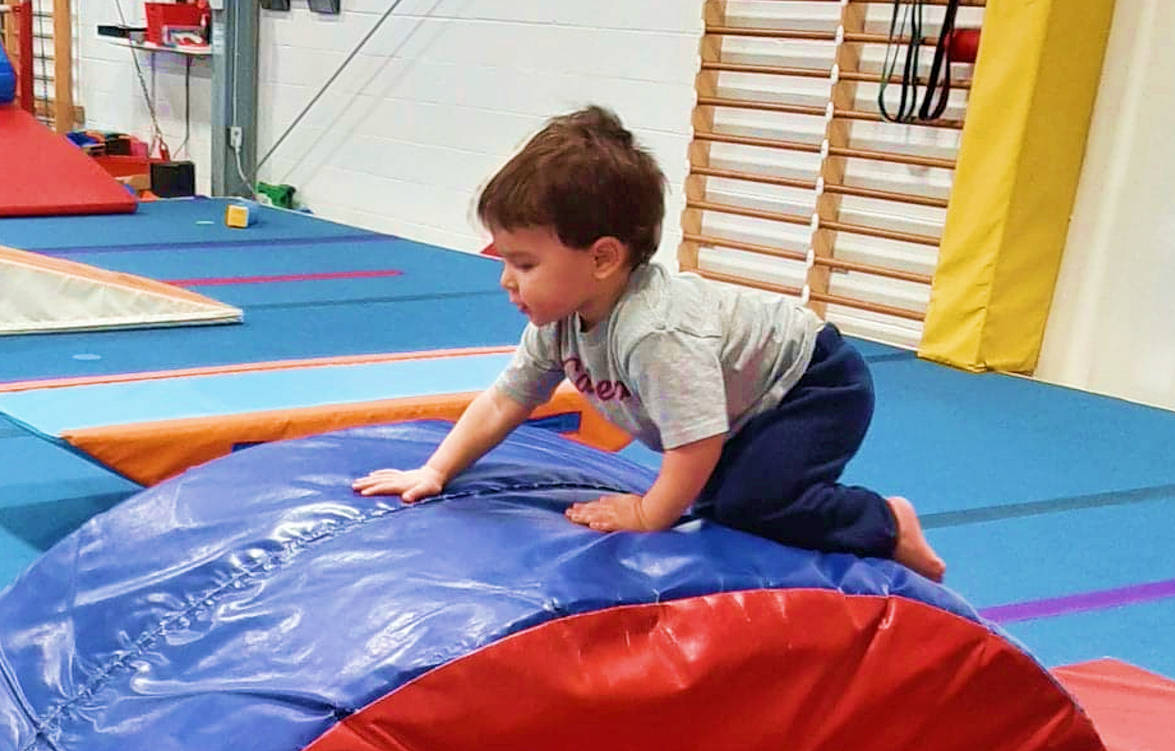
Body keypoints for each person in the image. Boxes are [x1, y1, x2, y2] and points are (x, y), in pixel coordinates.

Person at [353, 105, 946, 581]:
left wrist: (647, 513)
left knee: (752, 504)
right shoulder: (556, 323)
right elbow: (505, 401)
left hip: (810, 382)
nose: (506, 280)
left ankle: (886, 522)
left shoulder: (653, 333)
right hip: (742, 397)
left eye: (524, 263)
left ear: (604, 258)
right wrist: (433, 470)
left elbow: (696, 441)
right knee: (720, 501)